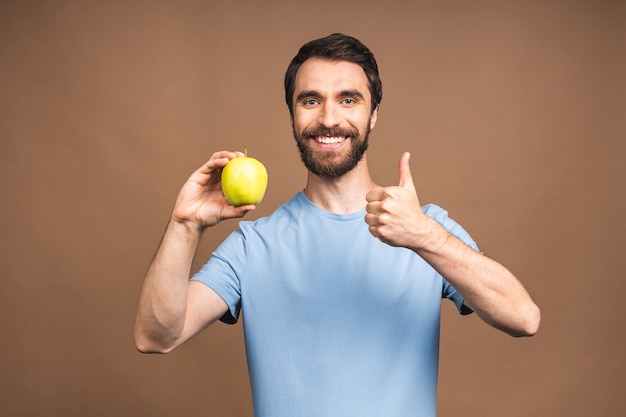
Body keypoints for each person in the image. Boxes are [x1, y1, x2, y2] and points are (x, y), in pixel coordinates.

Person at [134, 33, 540, 417]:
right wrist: (185, 223)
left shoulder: (425, 228)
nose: (329, 118)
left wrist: (425, 237)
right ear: (293, 114)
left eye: (348, 100)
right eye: (311, 101)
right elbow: (156, 337)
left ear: (373, 114)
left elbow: (523, 318)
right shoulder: (253, 245)